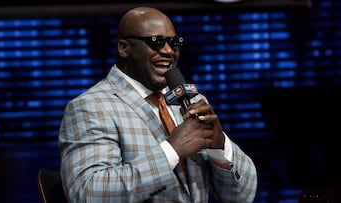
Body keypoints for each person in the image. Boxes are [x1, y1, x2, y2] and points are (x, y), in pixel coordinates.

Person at [58, 6, 257, 203]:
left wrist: (220, 147)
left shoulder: (191, 102)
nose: (169, 51)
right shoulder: (91, 107)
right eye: (156, 42)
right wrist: (172, 150)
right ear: (124, 48)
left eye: (174, 43)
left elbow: (241, 196)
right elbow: (88, 193)